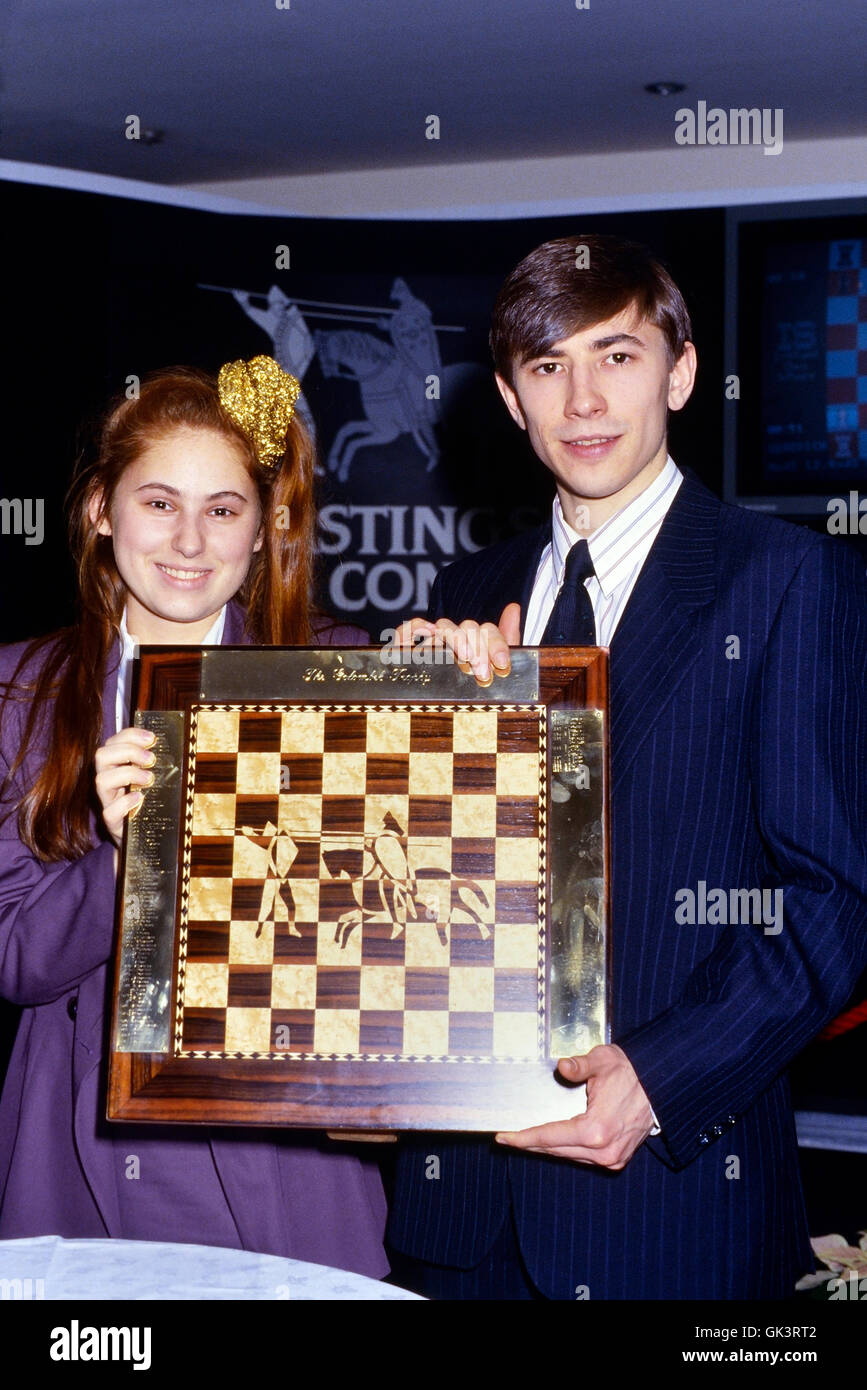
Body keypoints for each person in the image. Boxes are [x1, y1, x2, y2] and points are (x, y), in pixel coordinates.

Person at [386, 233, 867, 1300]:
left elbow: (832, 902)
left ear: (682, 372)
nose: (585, 399)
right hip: (458, 1218)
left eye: (618, 355)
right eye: (549, 367)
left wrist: (658, 1081)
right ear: (511, 398)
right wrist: (398, 735)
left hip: (674, 1208)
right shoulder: (462, 590)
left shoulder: (790, 579)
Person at [0, 355, 388, 1276]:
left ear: (261, 533)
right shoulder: (18, 691)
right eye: (158, 502)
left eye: (223, 509)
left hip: (284, 1165)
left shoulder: (336, 675)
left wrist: (467, 671)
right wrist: (122, 847)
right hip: (74, 1157)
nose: (189, 540)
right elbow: (14, 958)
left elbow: (386, 926)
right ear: (101, 510)